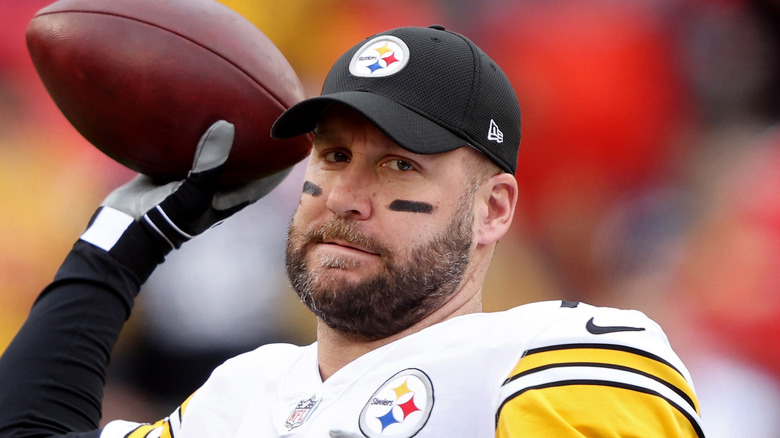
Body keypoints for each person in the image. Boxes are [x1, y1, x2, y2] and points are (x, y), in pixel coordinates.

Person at [0, 25, 705, 437]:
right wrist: (116, 252)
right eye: (333, 155)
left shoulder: (556, 358)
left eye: (400, 165)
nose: (345, 196)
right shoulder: (236, 396)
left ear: (494, 209)